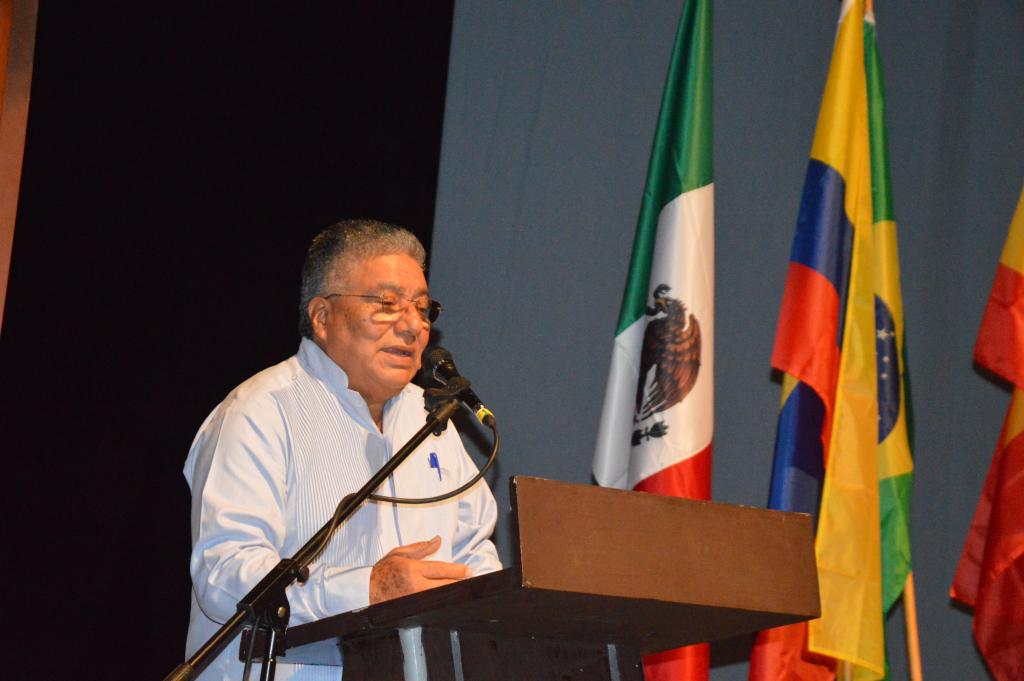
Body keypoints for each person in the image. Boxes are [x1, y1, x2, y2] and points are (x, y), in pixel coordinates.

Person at [183, 219, 501, 680]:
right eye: (387, 304)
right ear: (322, 316)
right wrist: (365, 589)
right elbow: (224, 574)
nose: (413, 326)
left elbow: (474, 558)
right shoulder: (260, 412)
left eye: (421, 308)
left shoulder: (431, 421)